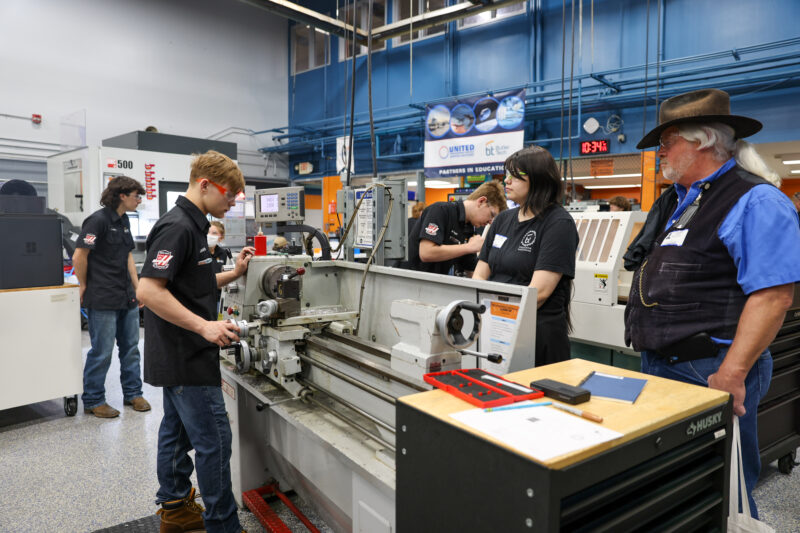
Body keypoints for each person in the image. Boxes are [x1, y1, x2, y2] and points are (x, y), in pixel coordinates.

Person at [623, 88, 800, 518]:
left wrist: (733, 372)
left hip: (711, 368)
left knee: (723, 490)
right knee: (680, 487)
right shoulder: (685, 200)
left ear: (701, 140)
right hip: (665, 364)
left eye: (667, 142)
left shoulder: (755, 200)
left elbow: (773, 294)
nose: (659, 152)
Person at [137, 150, 255, 533]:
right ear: (204, 185)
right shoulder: (179, 227)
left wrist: (234, 273)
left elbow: (189, 283)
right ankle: (223, 525)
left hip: (175, 352)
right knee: (215, 441)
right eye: (230, 194)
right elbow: (148, 291)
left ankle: (174, 508)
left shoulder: (195, 225)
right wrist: (205, 327)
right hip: (186, 352)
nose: (233, 201)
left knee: (176, 430)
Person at [472, 146, 579, 366]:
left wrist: (496, 315)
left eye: (515, 176)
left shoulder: (558, 224)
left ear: (538, 180)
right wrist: (491, 318)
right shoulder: (502, 220)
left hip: (535, 335)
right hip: (496, 328)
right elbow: (479, 276)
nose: (506, 182)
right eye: (506, 175)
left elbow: (538, 293)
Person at [72, 176, 149, 418]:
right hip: (103, 296)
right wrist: (83, 284)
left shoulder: (125, 220)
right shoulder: (97, 220)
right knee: (102, 351)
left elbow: (127, 256)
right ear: (122, 195)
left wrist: (138, 288)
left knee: (131, 348)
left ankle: (133, 393)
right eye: (137, 195)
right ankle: (94, 399)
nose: (139, 200)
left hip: (126, 295)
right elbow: (79, 256)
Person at [406, 181, 506, 276]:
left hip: (435, 285)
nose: (491, 221)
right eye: (492, 215)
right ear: (481, 201)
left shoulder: (468, 229)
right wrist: (469, 247)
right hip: (410, 282)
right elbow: (426, 253)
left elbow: (471, 270)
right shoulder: (440, 210)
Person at [208, 220, 232, 310]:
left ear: (221, 237)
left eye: (214, 233)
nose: (209, 235)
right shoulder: (198, 253)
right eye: (207, 232)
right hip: (203, 299)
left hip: (220, 299)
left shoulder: (224, 254)